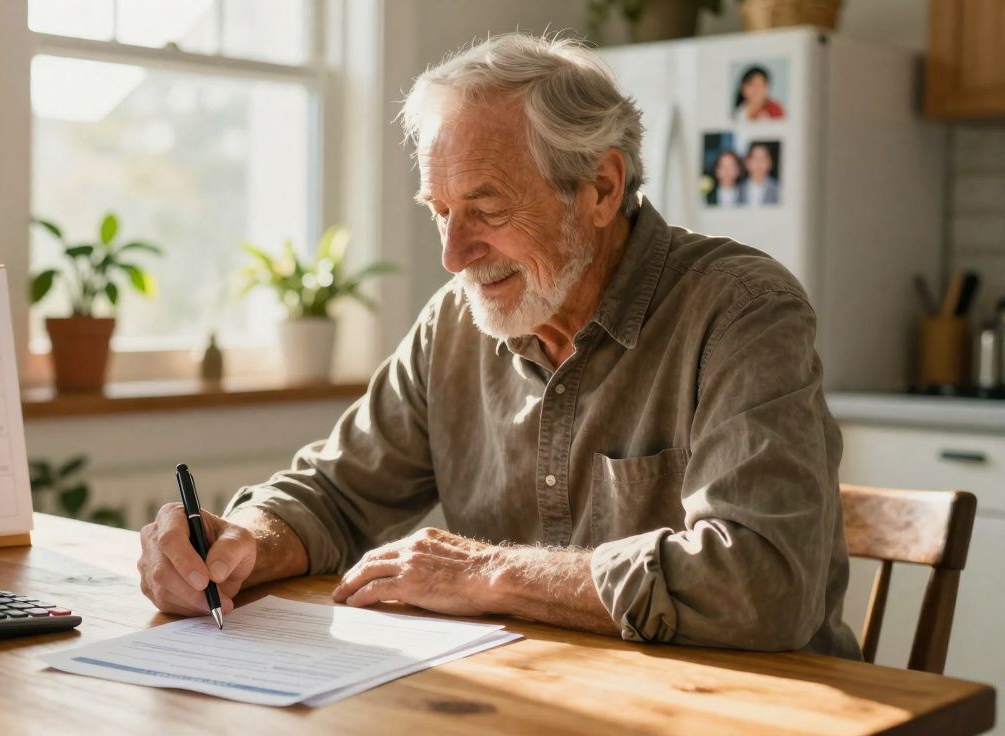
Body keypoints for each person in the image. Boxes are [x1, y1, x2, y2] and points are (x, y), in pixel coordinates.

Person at [138, 33, 860, 659]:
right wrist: (242, 543)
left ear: (601, 189)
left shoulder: (741, 311)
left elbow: (763, 583)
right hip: (531, 698)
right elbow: (332, 495)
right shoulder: (455, 321)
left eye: (485, 208)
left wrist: (490, 573)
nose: (453, 255)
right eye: (440, 212)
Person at [744, 141, 781, 206]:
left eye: (763, 158)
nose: (759, 163)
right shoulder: (738, 189)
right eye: (755, 158)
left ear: (770, 163)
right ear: (747, 163)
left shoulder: (778, 189)